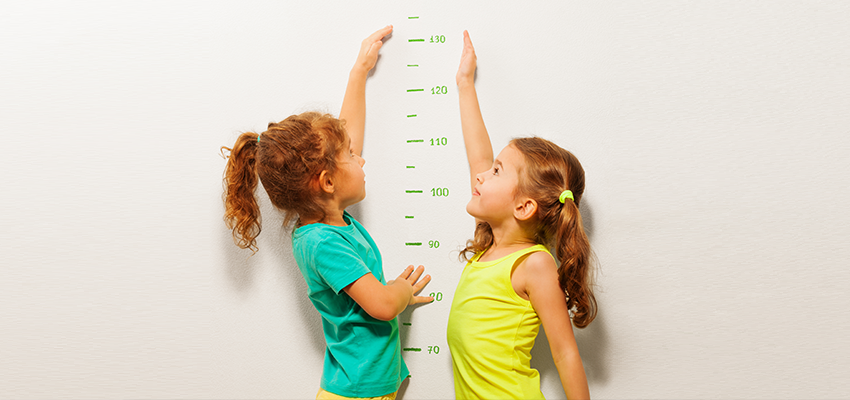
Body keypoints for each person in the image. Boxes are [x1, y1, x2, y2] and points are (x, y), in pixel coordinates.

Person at [221, 26, 433, 400]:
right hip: (355, 392)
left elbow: (347, 140)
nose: (360, 159)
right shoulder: (322, 243)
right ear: (328, 182)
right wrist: (400, 290)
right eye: (351, 155)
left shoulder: (325, 228)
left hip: (365, 387)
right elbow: (384, 306)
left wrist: (359, 73)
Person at [446, 30, 596, 400]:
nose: (481, 176)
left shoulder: (533, 264)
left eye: (496, 172)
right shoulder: (488, 245)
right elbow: (478, 156)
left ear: (523, 207)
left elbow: (565, 353)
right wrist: (464, 84)